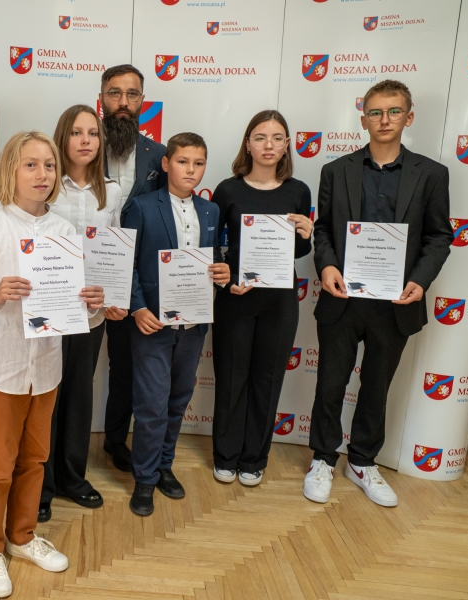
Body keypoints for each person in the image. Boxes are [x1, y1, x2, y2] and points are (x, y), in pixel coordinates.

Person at [0, 131, 104, 598]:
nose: (42, 174)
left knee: (35, 458)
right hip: (4, 367)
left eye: (49, 166)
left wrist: (93, 306)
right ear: (11, 171)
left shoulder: (64, 232)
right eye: (31, 165)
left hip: (47, 367)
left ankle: (21, 536)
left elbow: (76, 310)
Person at [304, 80, 451, 507]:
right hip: (343, 299)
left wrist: (420, 280)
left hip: (395, 303)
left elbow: (439, 236)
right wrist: (326, 265)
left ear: (409, 116)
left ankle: (363, 461)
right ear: (363, 118)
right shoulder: (336, 171)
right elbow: (323, 230)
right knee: (330, 382)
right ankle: (322, 458)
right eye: (375, 112)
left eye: (393, 111)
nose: (384, 120)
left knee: (376, 387)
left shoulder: (432, 174)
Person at [121, 133, 230, 516]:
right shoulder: (141, 206)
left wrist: (222, 272)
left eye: (198, 163)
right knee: (151, 404)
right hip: (152, 323)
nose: (191, 170)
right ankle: (144, 478)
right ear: (166, 164)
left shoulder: (210, 211)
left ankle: (164, 466)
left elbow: (214, 259)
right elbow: (128, 264)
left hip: (194, 324)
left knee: (178, 399)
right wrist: (137, 308)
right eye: (183, 161)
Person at [211, 110, 312, 487]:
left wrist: (306, 233)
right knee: (231, 378)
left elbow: (300, 251)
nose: (268, 145)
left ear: (287, 145)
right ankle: (226, 456)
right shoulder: (228, 189)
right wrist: (227, 281)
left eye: (277, 138)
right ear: (248, 144)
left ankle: (254, 458)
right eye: (260, 137)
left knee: (267, 381)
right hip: (236, 298)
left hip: (279, 301)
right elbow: (212, 245)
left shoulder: (298, 191)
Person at [38, 105, 125, 523]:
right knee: (46, 398)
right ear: (63, 137)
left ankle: (72, 477)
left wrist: (115, 296)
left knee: (78, 394)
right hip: (49, 311)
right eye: (76, 132)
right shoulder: (45, 184)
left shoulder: (112, 191)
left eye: (92, 133)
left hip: (91, 313)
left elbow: (115, 249)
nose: (86, 140)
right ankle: (40, 485)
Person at [99, 64, 168, 473]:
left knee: (126, 368)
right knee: (71, 367)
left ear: (143, 101)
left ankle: (114, 440)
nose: (123, 102)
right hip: (87, 277)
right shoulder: (82, 147)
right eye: (115, 93)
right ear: (102, 99)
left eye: (132, 94)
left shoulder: (160, 156)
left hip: (138, 283)